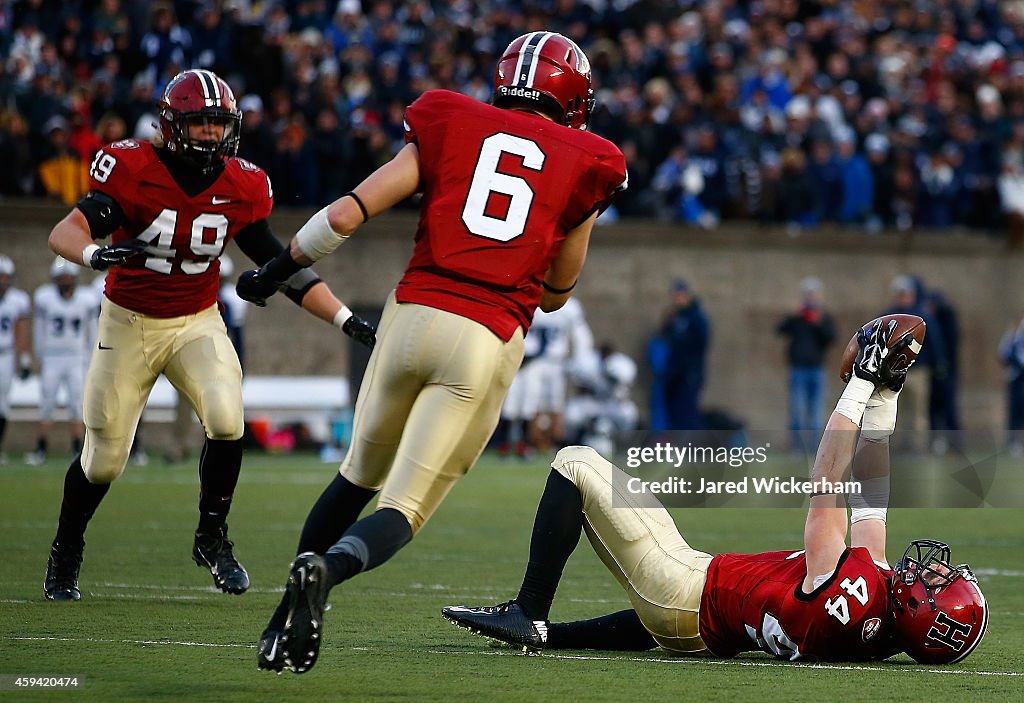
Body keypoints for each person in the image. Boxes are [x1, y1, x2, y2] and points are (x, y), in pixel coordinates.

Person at [237, 32, 627, 674]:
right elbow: (557, 293)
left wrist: (275, 270)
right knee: (402, 510)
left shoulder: (449, 117)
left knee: (354, 475)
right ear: (573, 98)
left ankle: (282, 622)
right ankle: (328, 570)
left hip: (409, 313)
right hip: (483, 335)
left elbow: (347, 213)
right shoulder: (593, 159)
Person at [444, 321, 989, 664]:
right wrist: (887, 398)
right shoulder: (880, 625)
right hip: (703, 628)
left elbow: (829, 477)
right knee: (677, 613)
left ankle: (528, 610)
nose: (935, 571)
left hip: (685, 588)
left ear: (922, 608)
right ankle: (549, 638)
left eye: (938, 582)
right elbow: (872, 501)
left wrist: (860, 385)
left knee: (575, 463)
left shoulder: (854, 596)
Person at [41, 69, 373, 602]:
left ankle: (211, 537)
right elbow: (66, 230)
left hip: (197, 321)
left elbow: (281, 264)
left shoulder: (242, 183)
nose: (212, 136)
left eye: (220, 125)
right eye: (201, 124)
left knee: (226, 419)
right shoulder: (131, 167)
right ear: (173, 126)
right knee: (103, 460)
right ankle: (66, 550)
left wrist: (345, 319)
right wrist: (94, 254)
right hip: (128, 322)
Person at [25, 257, 99, 465]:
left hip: (76, 357)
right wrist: (41, 355)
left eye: (68, 277)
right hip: (53, 357)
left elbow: (92, 333)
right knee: (47, 403)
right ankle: (40, 447)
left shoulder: (86, 299)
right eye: (62, 278)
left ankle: (77, 448)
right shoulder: (45, 297)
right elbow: (38, 331)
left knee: (77, 404)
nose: (65, 282)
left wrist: (91, 357)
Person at [776, 277, 836, 453]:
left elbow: (831, 338)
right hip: (798, 370)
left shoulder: (824, 317)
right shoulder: (797, 318)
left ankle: (815, 449)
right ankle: (797, 449)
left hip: (817, 370)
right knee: (798, 412)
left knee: (817, 415)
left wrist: (818, 323)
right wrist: (795, 316)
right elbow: (780, 330)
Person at [660, 279, 710, 431]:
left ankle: (692, 447)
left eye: (679, 295)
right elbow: (667, 337)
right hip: (674, 373)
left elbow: (700, 342)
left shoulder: (696, 317)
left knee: (687, 412)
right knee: (674, 413)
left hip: (689, 373)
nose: (676, 299)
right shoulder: (676, 317)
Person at [0, 255, 32, 463]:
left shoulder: (17, 299)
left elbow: (20, 330)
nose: (3, 282)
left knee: (2, 404)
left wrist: (25, 359)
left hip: (5, 355)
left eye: (5, 277)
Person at [999, 315, 1024, 456]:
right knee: (1015, 414)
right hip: (1016, 381)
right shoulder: (1013, 337)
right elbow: (1003, 354)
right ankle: (1013, 443)